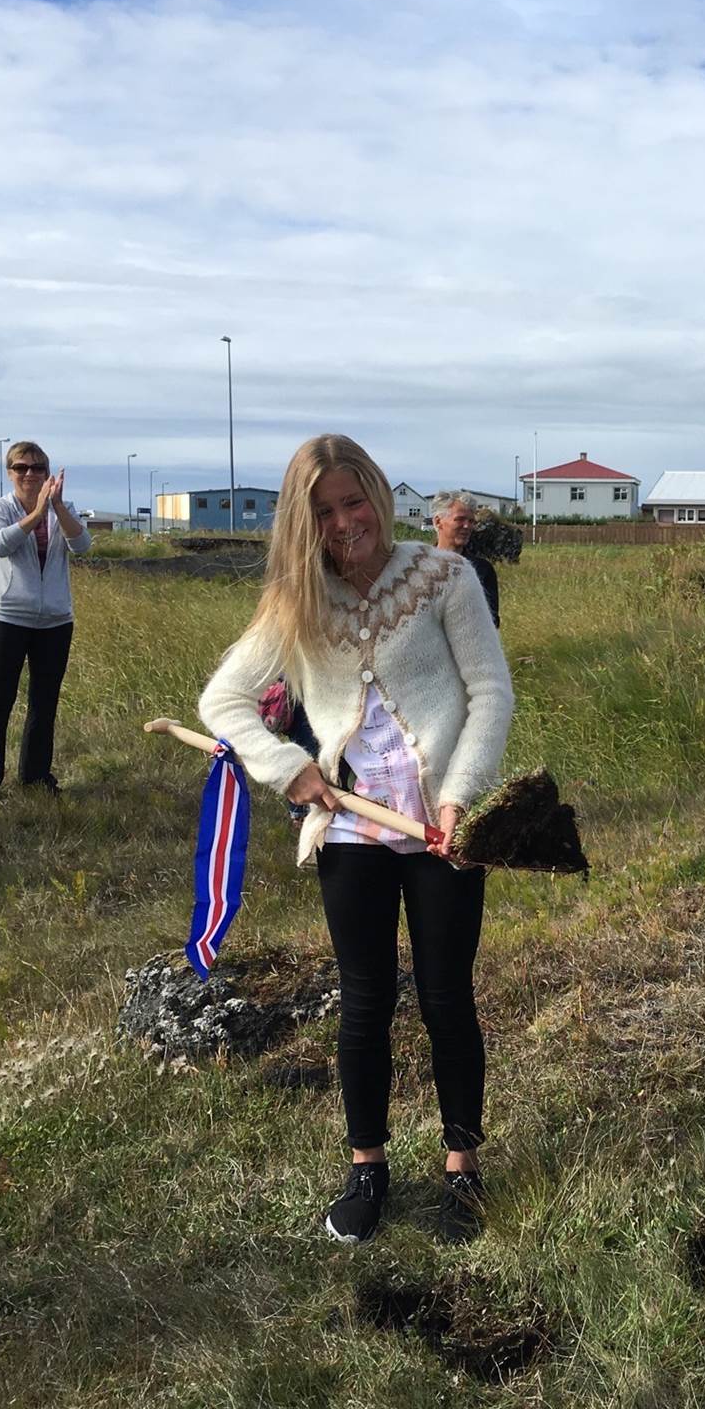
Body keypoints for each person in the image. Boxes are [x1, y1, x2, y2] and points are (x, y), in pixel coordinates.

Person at [199, 433, 514, 1243]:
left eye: (354, 500)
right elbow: (223, 701)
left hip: (442, 829)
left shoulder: (445, 575)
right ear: (304, 524)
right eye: (325, 511)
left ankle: (462, 1167)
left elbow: (490, 694)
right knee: (365, 1001)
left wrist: (458, 798)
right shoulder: (295, 600)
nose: (346, 523)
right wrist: (289, 768)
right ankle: (367, 1166)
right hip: (349, 833)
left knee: (448, 997)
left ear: (377, 492)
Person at [0, 442, 91, 804]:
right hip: (6, 617)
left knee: (44, 701)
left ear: (48, 473)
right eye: (21, 467)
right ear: (10, 472)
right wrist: (35, 515)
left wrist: (53, 508)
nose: (30, 474)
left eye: (38, 468)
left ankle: (36, 777)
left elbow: (82, 545)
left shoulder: (62, 508)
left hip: (54, 619)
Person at [431, 492, 500, 626]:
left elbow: (491, 622)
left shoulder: (482, 569)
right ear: (438, 522)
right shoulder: (419, 566)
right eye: (460, 519)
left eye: (471, 521)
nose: (467, 526)